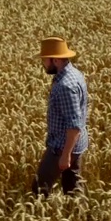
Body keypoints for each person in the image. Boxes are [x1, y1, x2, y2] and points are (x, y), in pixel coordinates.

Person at [31, 37, 89, 197]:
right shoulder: (75, 73)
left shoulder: (65, 86)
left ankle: (38, 220)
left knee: (39, 188)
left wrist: (65, 156)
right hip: (77, 144)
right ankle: (80, 218)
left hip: (61, 147)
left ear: (55, 60)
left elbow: (74, 124)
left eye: (44, 60)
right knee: (73, 188)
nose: (43, 64)